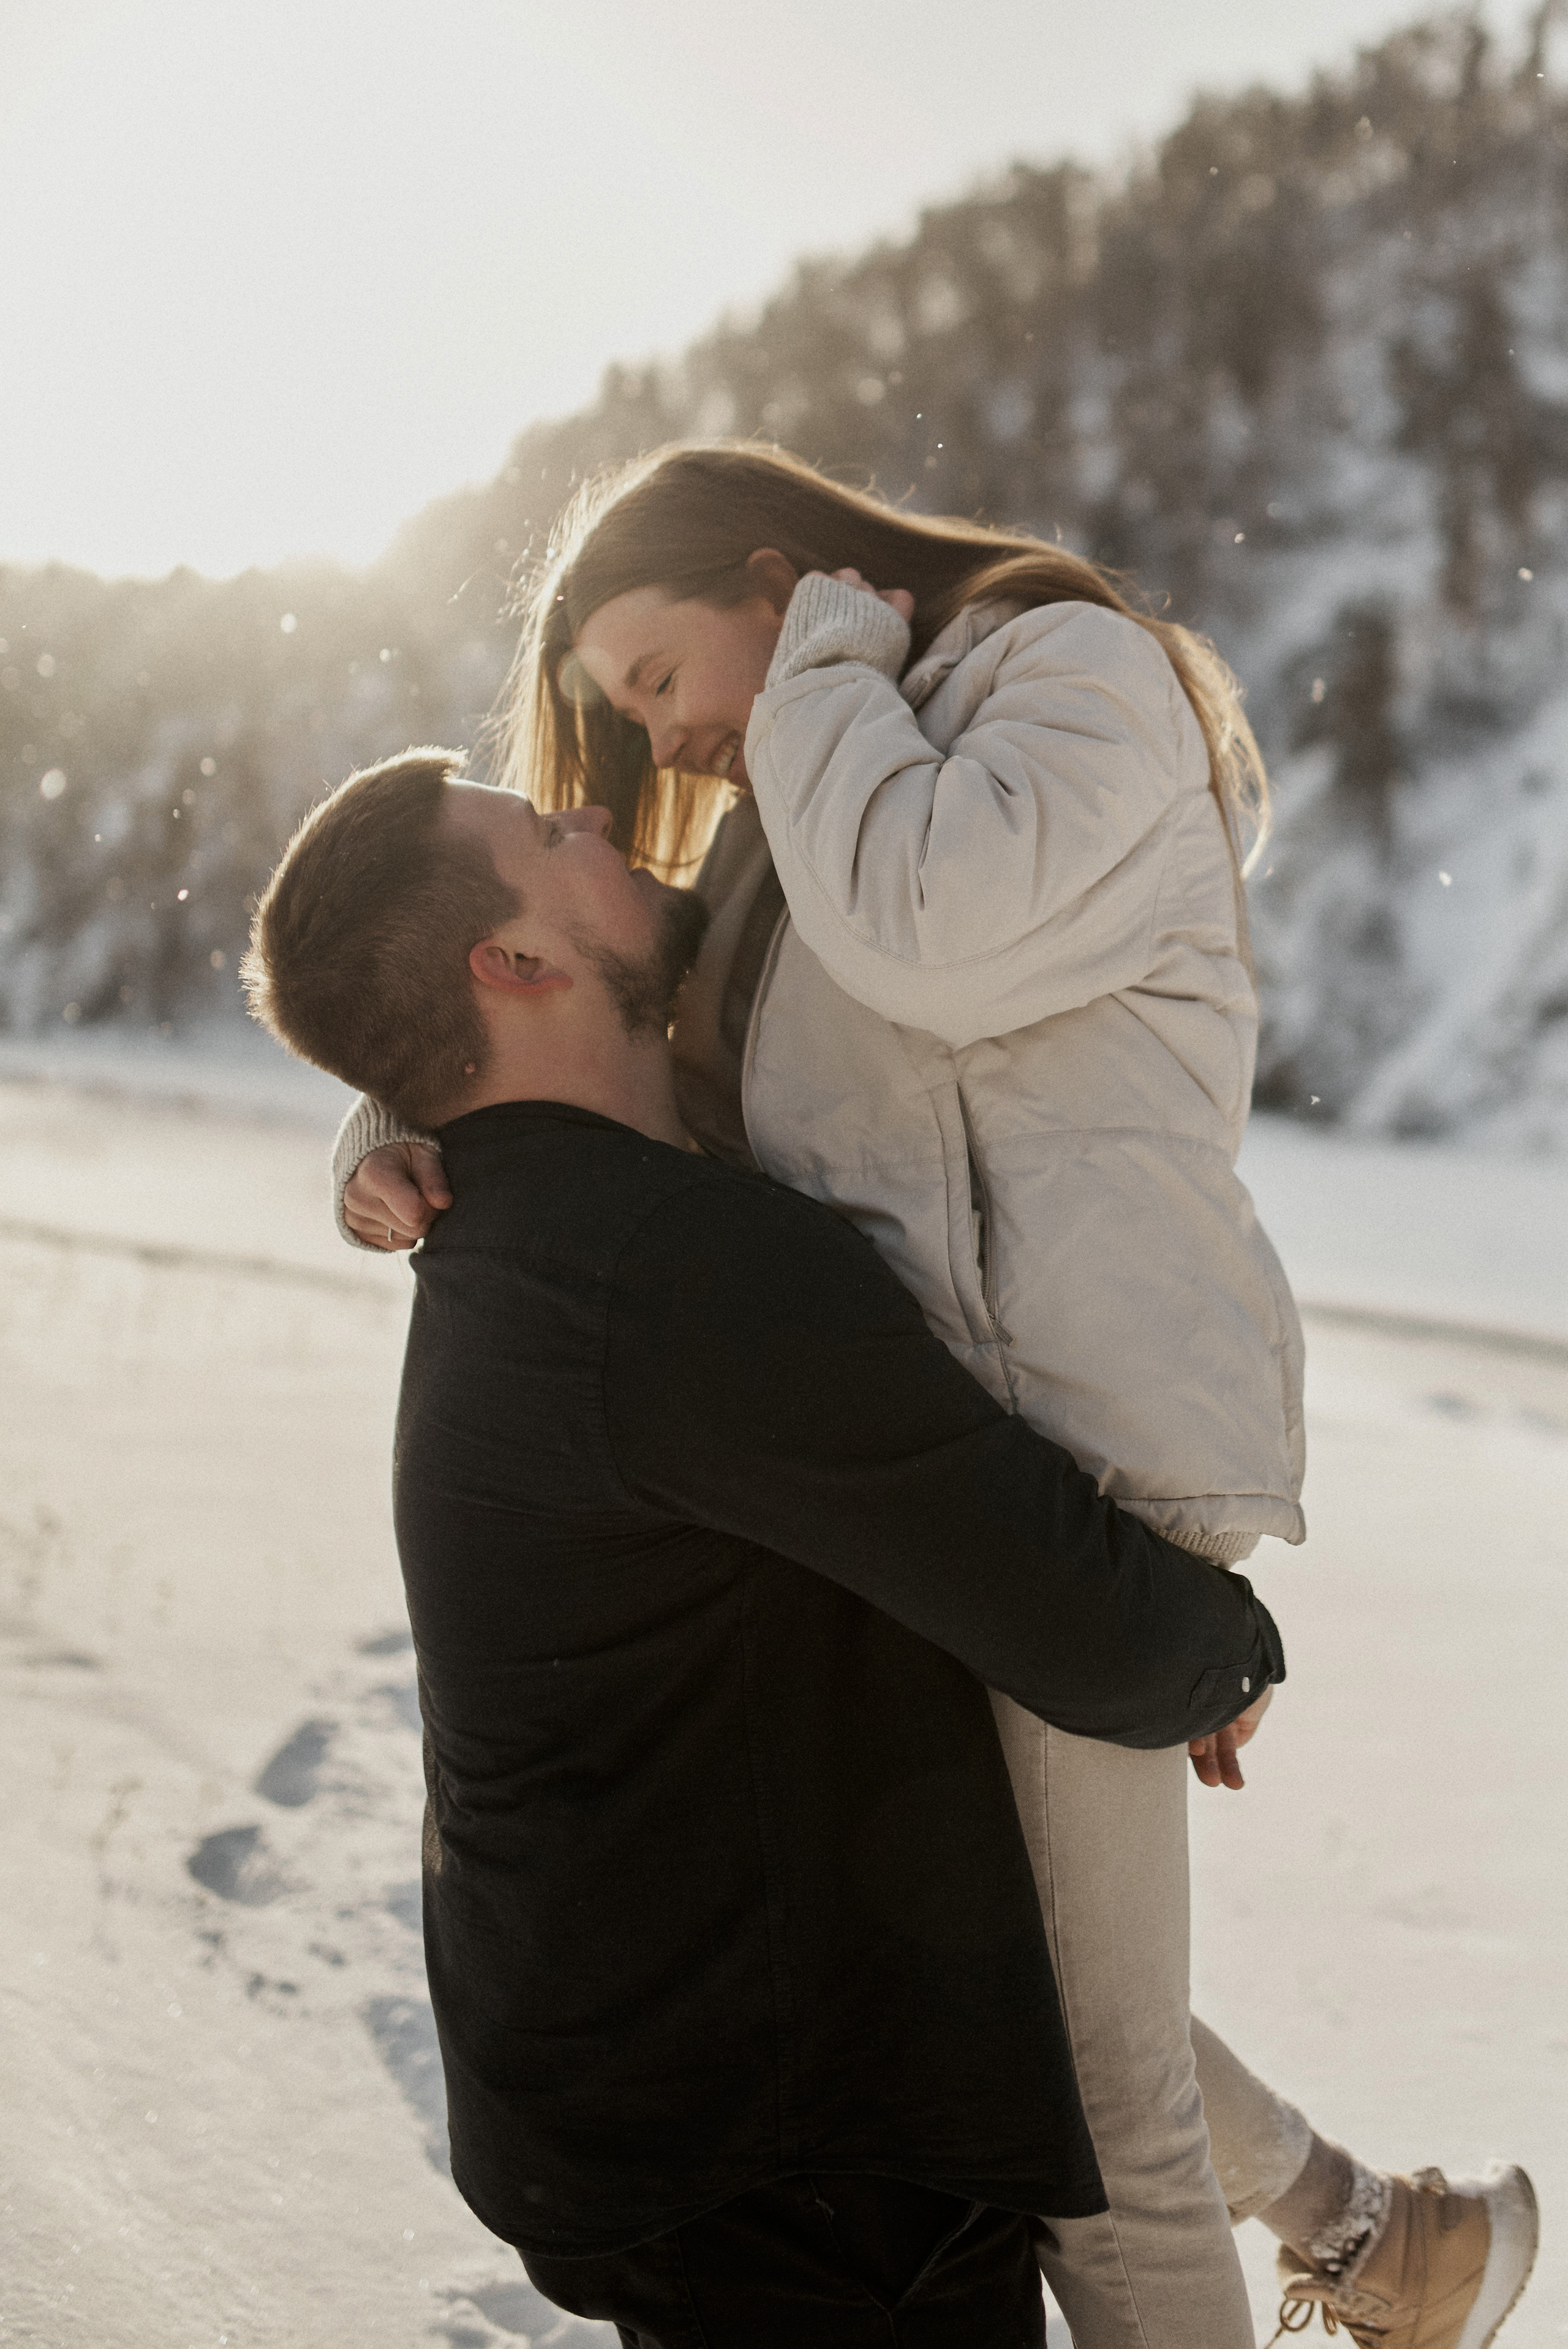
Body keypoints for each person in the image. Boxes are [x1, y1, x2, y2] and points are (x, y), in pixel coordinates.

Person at [333, 449, 1537, 2349]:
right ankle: (1379, 2236)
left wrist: (819, 666)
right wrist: (401, 1112)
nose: (671, 743)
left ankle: (1374, 2239)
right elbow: (609, 1026)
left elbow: (932, 933)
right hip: (939, 1483)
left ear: (769, 571)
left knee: (1098, 2128)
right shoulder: (801, 794)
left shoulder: (1059, 680)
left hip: (1081, 1446)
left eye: (661, 680)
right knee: (1018, 2002)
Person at [241, 747, 1289, 2349]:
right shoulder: (677, 1268)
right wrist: (1223, 1647)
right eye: (546, 831)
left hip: (669, 2114)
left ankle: (1356, 2214)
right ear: (514, 966)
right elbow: (1070, 1613)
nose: (593, 813)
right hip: (796, 2170)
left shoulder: (533, 1220)